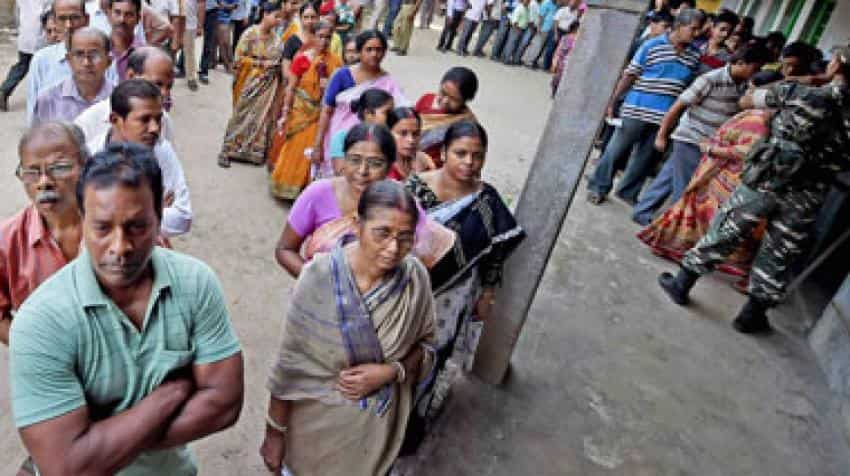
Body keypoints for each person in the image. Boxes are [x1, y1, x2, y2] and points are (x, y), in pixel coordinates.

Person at [8, 143, 243, 476]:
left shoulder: (195, 282)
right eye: (103, 228)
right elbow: (65, 466)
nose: (120, 247)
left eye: (137, 226)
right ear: (82, 219)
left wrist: (96, 446)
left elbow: (224, 404)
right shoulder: (41, 321)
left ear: (160, 218)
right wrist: (171, 392)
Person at [658, 46, 850, 335]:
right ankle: (751, 315)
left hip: (768, 177)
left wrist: (801, 82)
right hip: (811, 190)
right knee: (781, 249)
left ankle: (682, 283)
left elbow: (747, 100)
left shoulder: (802, 94)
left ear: (835, 67)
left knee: (727, 228)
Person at [261, 180, 437, 476]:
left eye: (406, 237)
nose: (394, 248)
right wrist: (275, 433)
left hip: (376, 434)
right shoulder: (317, 277)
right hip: (314, 428)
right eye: (382, 233)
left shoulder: (415, 279)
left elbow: (428, 347)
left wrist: (392, 371)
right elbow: (291, 364)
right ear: (357, 226)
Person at [402, 121, 525, 446]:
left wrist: (487, 293)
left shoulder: (486, 202)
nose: (469, 162)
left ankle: (411, 421)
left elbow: (494, 255)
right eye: (460, 153)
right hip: (403, 287)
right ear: (442, 153)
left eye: (477, 155)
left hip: (451, 295)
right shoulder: (415, 188)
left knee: (431, 354)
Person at [631, 45, 770, 225]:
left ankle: (643, 211)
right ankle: (675, 226)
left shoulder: (743, 85)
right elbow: (678, 106)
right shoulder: (710, 79)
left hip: (709, 141)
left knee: (669, 176)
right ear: (741, 63)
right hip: (692, 138)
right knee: (686, 187)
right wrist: (662, 134)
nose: (756, 72)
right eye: (756, 67)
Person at [586, 8, 704, 206]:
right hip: (637, 109)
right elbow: (630, 75)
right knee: (616, 151)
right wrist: (613, 101)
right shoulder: (652, 45)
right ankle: (598, 186)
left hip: (665, 117)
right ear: (680, 26)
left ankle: (627, 192)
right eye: (693, 28)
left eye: (699, 29)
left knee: (646, 158)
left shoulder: (694, 56)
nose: (697, 33)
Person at [638, 109, 770, 285]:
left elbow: (745, 150)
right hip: (723, 172)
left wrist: (711, 148)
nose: (745, 93)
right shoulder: (760, 117)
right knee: (701, 211)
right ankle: (681, 254)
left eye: (749, 90)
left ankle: (684, 264)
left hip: (728, 176)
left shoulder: (758, 120)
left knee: (708, 216)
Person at [0, 122, 89, 346]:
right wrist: (37, 353)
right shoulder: (7, 239)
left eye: (59, 168)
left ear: (85, 166)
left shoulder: (124, 225)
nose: (44, 182)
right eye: (31, 173)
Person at [275, 123, 399, 276]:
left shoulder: (400, 200)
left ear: (389, 168)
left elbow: (422, 255)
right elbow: (285, 249)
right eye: (355, 160)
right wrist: (319, 283)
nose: (362, 171)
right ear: (344, 159)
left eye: (375, 163)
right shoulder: (318, 193)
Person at [87, 78, 193, 238]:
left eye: (158, 119)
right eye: (144, 120)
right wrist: (153, 210)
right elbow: (87, 221)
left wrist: (113, 215)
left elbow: (182, 218)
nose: (155, 128)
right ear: (115, 120)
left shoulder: (162, 150)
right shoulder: (90, 156)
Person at [312, 30, 408, 177]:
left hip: (370, 142)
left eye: (379, 50)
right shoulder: (342, 75)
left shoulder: (389, 83)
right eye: (369, 49)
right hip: (338, 137)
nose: (374, 54)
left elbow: (400, 116)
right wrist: (317, 145)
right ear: (359, 51)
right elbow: (326, 110)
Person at [268, 20, 342, 197]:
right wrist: (285, 112)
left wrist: (329, 86)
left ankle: (306, 190)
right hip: (301, 111)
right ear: (312, 37)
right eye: (320, 36)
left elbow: (340, 92)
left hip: (323, 114)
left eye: (328, 38)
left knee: (315, 150)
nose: (324, 41)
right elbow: (291, 87)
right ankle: (286, 186)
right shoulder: (302, 59)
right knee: (296, 147)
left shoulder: (337, 62)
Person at [218, 1, 286, 167]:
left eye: (280, 18)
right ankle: (227, 150)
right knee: (241, 115)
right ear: (265, 14)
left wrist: (272, 66)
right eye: (276, 16)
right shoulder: (249, 34)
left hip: (267, 85)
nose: (278, 21)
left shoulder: (277, 40)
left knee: (261, 118)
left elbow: (279, 61)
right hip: (248, 83)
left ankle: (252, 152)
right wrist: (260, 65)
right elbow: (238, 60)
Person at [75, 46, 177, 144]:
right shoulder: (89, 122)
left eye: (169, 87)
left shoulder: (164, 120)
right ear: (131, 76)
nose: (165, 93)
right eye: (158, 84)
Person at [33, 28, 114, 125]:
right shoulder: (49, 99)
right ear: (69, 60)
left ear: (109, 61)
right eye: (79, 55)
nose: (86, 63)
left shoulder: (119, 99)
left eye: (94, 55)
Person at [414, 66, 477, 167]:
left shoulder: (466, 124)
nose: (445, 101)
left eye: (454, 99)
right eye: (443, 93)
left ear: (466, 100)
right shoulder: (426, 99)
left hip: (434, 170)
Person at [0, 0, 48, 111]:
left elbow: (17, 14)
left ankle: (4, 90)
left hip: (26, 35)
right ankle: (43, 99)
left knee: (22, 65)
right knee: (44, 67)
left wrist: (20, 29)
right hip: (41, 36)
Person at [327, 88, 394, 167]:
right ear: (369, 113)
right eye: (387, 112)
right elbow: (341, 171)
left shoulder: (390, 138)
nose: (392, 117)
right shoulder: (342, 137)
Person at [387, 106, 434, 179]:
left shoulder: (422, 160)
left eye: (415, 134)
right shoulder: (383, 169)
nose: (411, 140)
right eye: (403, 133)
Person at [109, 0, 147, 81]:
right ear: (109, 15)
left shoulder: (145, 55)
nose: (122, 19)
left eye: (129, 15)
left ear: (138, 18)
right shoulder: (99, 49)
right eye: (117, 13)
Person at [549, 19, 578, 96]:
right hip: (564, 62)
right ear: (575, 28)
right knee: (559, 77)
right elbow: (560, 50)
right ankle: (555, 91)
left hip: (567, 62)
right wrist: (555, 61)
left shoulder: (576, 38)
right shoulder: (569, 38)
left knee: (560, 78)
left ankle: (556, 90)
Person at [526, 0, 558, 69]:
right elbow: (541, 16)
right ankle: (529, 61)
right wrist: (539, 27)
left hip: (550, 30)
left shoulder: (556, 5)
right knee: (537, 46)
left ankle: (534, 61)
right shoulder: (546, 3)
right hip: (543, 28)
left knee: (542, 48)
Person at [500, 0, 529, 65]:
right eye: (526, 0)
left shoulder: (525, 8)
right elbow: (515, 20)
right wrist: (516, 28)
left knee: (511, 43)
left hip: (521, 29)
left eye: (528, 1)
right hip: (516, 28)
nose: (527, 2)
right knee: (511, 44)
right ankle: (506, 59)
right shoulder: (519, 8)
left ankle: (504, 57)